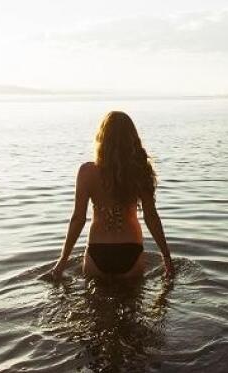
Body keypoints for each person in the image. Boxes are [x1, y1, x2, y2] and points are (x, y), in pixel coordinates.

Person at [49, 111, 174, 280]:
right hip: (131, 251)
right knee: (133, 305)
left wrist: (62, 261)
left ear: (102, 138)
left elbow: (78, 219)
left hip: (97, 252)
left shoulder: (86, 172)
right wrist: (166, 257)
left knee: (95, 305)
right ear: (132, 138)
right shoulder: (140, 170)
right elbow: (151, 216)